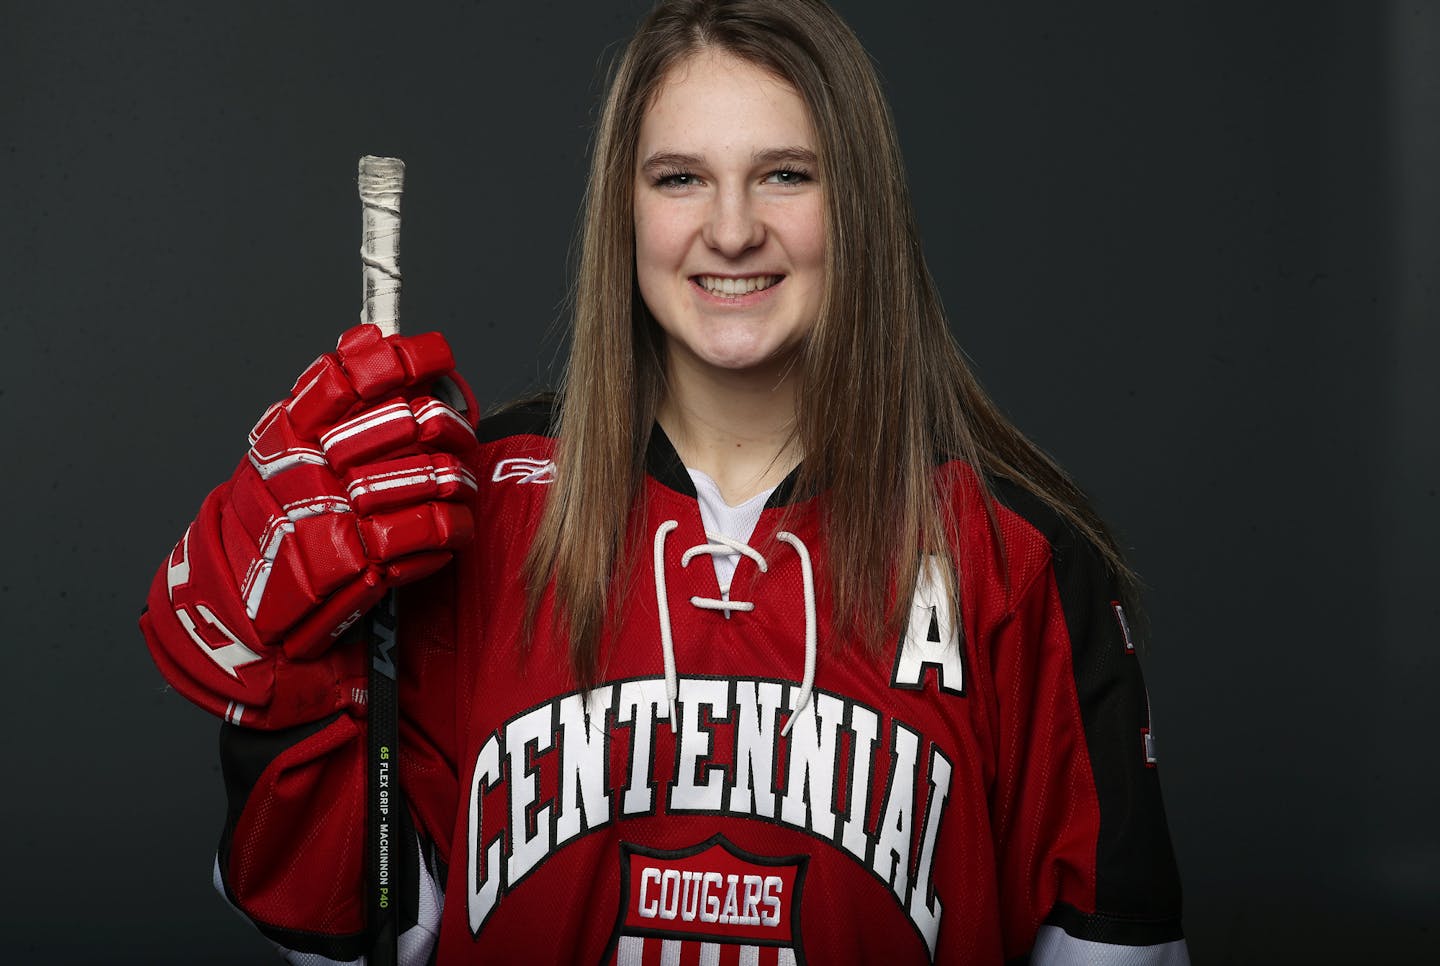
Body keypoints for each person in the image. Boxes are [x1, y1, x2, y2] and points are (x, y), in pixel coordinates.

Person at [141, 1, 1188, 962]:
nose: (731, 231)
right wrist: (288, 701)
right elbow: (361, 937)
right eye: (679, 177)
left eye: (787, 173)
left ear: (859, 202)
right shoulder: (469, 506)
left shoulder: (1018, 557)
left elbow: (1112, 947)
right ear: (624, 212)